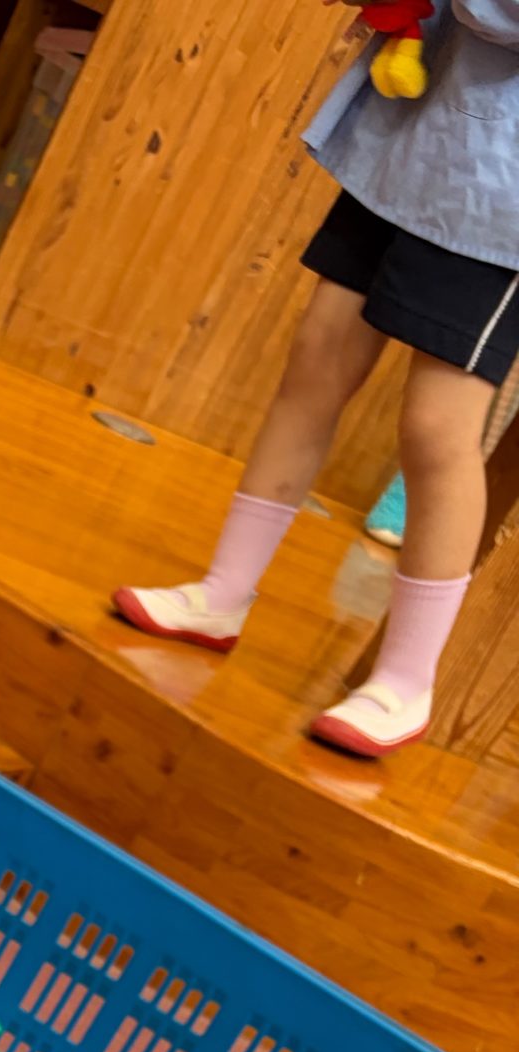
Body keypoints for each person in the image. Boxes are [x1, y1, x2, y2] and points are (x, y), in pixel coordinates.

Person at [114, 0, 519, 756]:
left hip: (499, 194)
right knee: (317, 359)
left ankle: (406, 682)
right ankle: (222, 594)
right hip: (411, 140)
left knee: (437, 427)